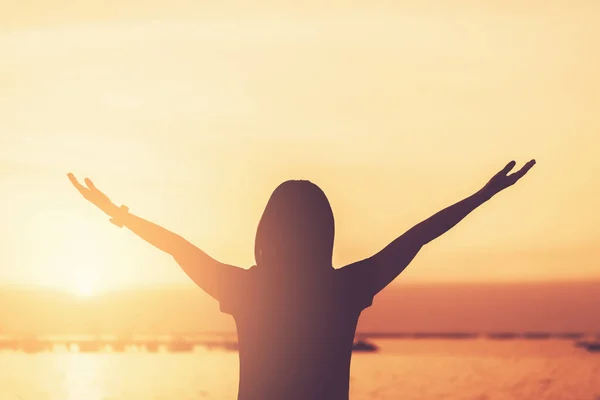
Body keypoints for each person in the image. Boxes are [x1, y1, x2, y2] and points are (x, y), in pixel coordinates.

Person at [68, 159, 535, 400]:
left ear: (267, 232)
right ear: (324, 231)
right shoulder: (344, 289)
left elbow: (177, 247)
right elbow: (417, 238)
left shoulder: (246, 290)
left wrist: (119, 215)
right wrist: (483, 195)